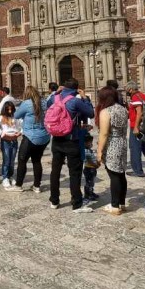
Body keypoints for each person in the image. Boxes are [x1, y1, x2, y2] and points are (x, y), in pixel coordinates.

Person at [46, 78, 95, 211]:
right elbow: (91, 113)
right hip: (71, 140)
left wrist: (56, 92)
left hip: (56, 139)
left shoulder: (54, 99)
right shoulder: (76, 101)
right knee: (75, 172)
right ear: (76, 89)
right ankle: (76, 203)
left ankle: (54, 200)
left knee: (55, 171)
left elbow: (46, 105)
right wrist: (85, 97)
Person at [95, 86, 130, 215]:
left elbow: (104, 134)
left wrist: (99, 151)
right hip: (122, 142)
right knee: (121, 173)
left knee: (114, 174)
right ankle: (121, 203)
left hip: (112, 144)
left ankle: (115, 206)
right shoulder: (122, 109)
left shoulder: (106, 111)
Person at [12, 85, 50, 193]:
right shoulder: (44, 102)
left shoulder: (27, 103)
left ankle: (19, 185)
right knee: (37, 160)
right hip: (44, 136)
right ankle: (37, 186)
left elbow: (16, 115)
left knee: (22, 160)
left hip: (30, 136)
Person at [125, 81, 145, 177]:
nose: (126, 92)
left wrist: (135, 127)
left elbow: (139, 113)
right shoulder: (142, 96)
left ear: (130, 89)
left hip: (138, 126)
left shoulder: (135, 97)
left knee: (134, 147)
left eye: (127, 90)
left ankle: (137, 171)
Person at [0, 101, 22, 188]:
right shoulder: (1, 117)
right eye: (8, 110)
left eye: (11, 109)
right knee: (6, 160)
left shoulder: (16, 117)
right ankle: (5, 177)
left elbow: (22, 125)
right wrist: (2, 134)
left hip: (14, 139)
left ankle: (10, 176)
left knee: (12, 160)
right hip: (5, 140)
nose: (10, 111)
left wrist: (19, 133)